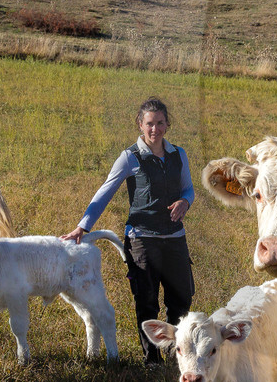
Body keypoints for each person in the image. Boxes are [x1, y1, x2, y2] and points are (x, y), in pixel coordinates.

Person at [61, 97, 195, 363]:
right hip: (142, 239)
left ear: (167, 125)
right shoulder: (129, 158)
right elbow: (104, 193)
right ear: (140, 124)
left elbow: (188, 188)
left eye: (159, 123)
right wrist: (82, 227)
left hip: (175, 238)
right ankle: (152, 359)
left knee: (182, 298)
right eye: (149, 124)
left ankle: (172, 349)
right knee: (147, 301)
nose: (154, 129)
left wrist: (185, 201)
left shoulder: (179, 154)